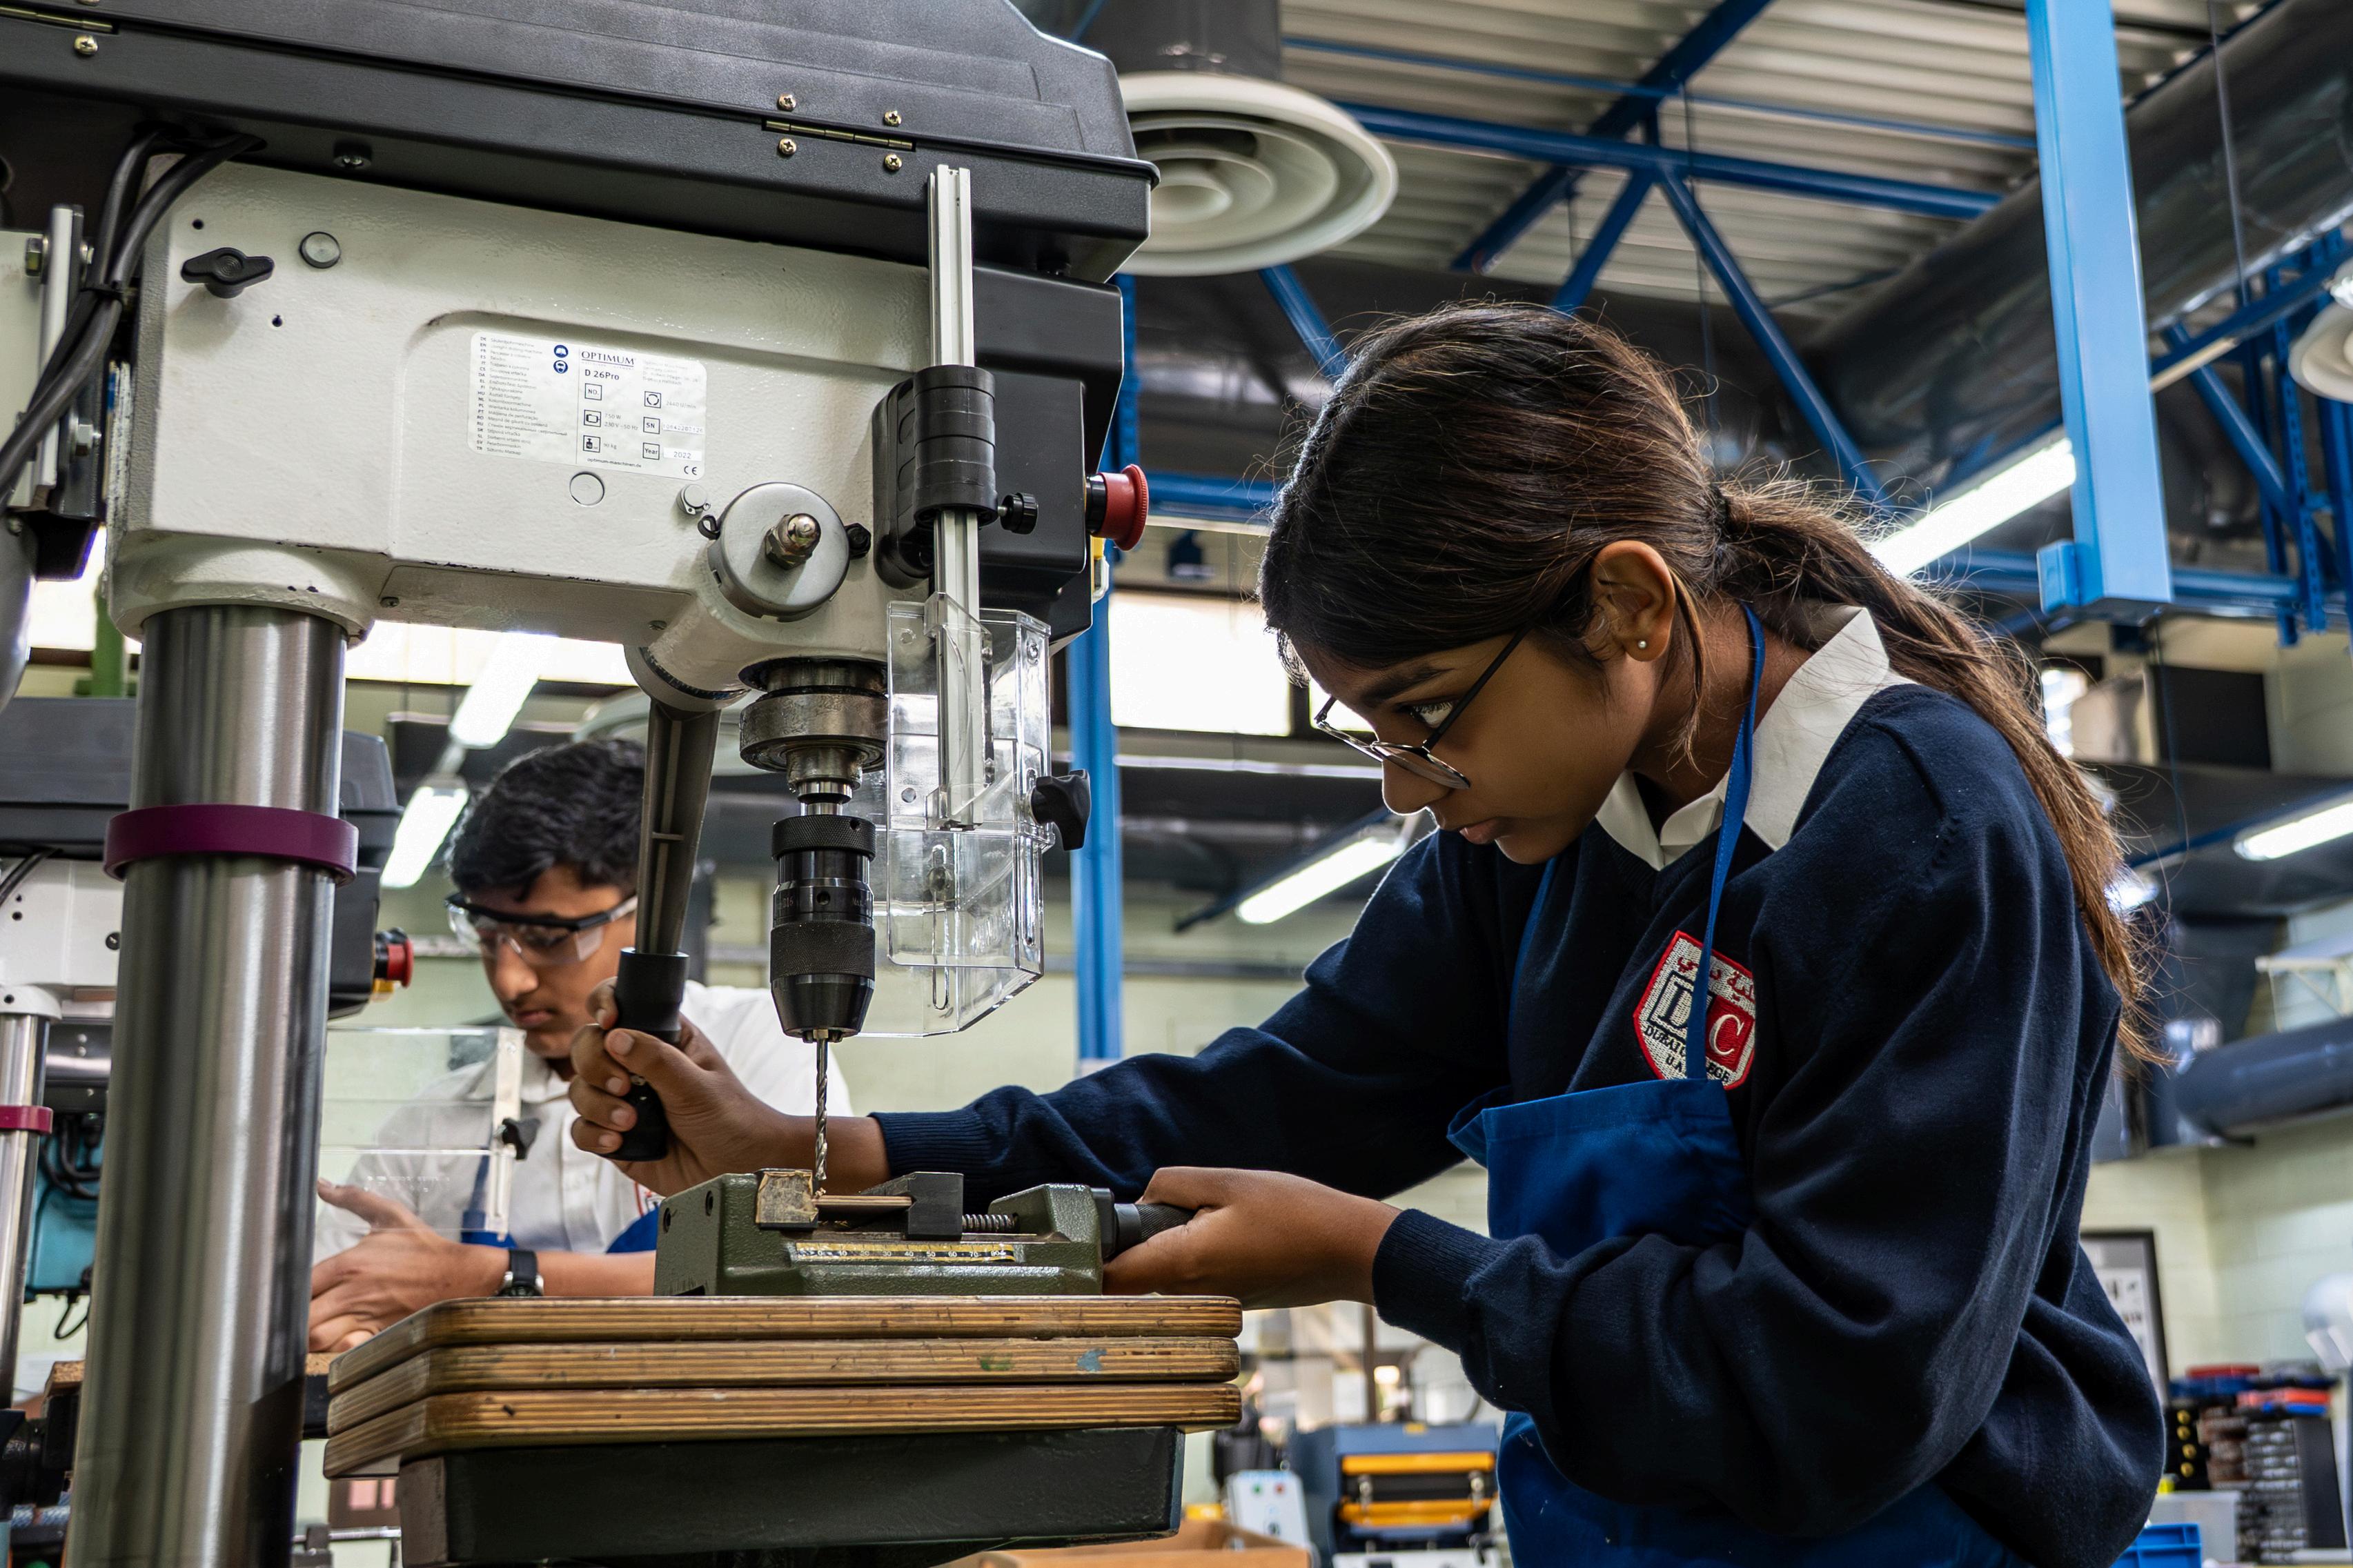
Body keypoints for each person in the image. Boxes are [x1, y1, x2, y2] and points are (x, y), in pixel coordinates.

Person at [562, 305, 2164, 1568]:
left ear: (1624, 607)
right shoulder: (1541, 834)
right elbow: (1264, 1101)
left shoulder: (1913, 829)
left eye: (1426, 715)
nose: (1407, 785)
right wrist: (830, 1150)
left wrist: (1380, 1257)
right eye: (1372, 733)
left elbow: (1844, 1386)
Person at [308, 739, 848, 1353]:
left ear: (651, 911)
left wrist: (480, 1281)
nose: (511, 980)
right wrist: (352, 1327)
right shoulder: (436, 1125)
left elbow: (794, 1269)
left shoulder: (757, 1042)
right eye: (487, 934)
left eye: (547, 937)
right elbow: (334, 1302)